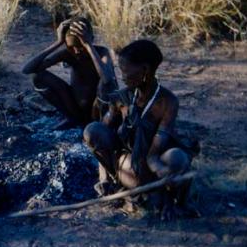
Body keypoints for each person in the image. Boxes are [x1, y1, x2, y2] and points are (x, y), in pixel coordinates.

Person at [83, 39, 198, 221]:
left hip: (155, 167)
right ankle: (120, 185)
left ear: (145, 70)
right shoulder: (121, 98)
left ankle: (172, 200)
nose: (122, 77)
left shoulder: (167, 102)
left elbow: (155, 151)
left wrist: (159, 167)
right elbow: (100, 137)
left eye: (125, 71)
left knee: (177, 158)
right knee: (92, 130)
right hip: (128, 166)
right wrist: (103, 178)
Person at [22, 16, 118, 130]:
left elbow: (107, 79)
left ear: (91, 39)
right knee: (37, 77)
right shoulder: (68, 54)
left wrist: (88, 46)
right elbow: (27, 70)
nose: (76, 51)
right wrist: (58, 43)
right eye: (71, 47)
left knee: (106, 84)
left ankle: (100, 125)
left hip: (97, 109)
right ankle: (72, 118)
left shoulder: (102, 52)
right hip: (75, 107)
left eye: (80, 46)